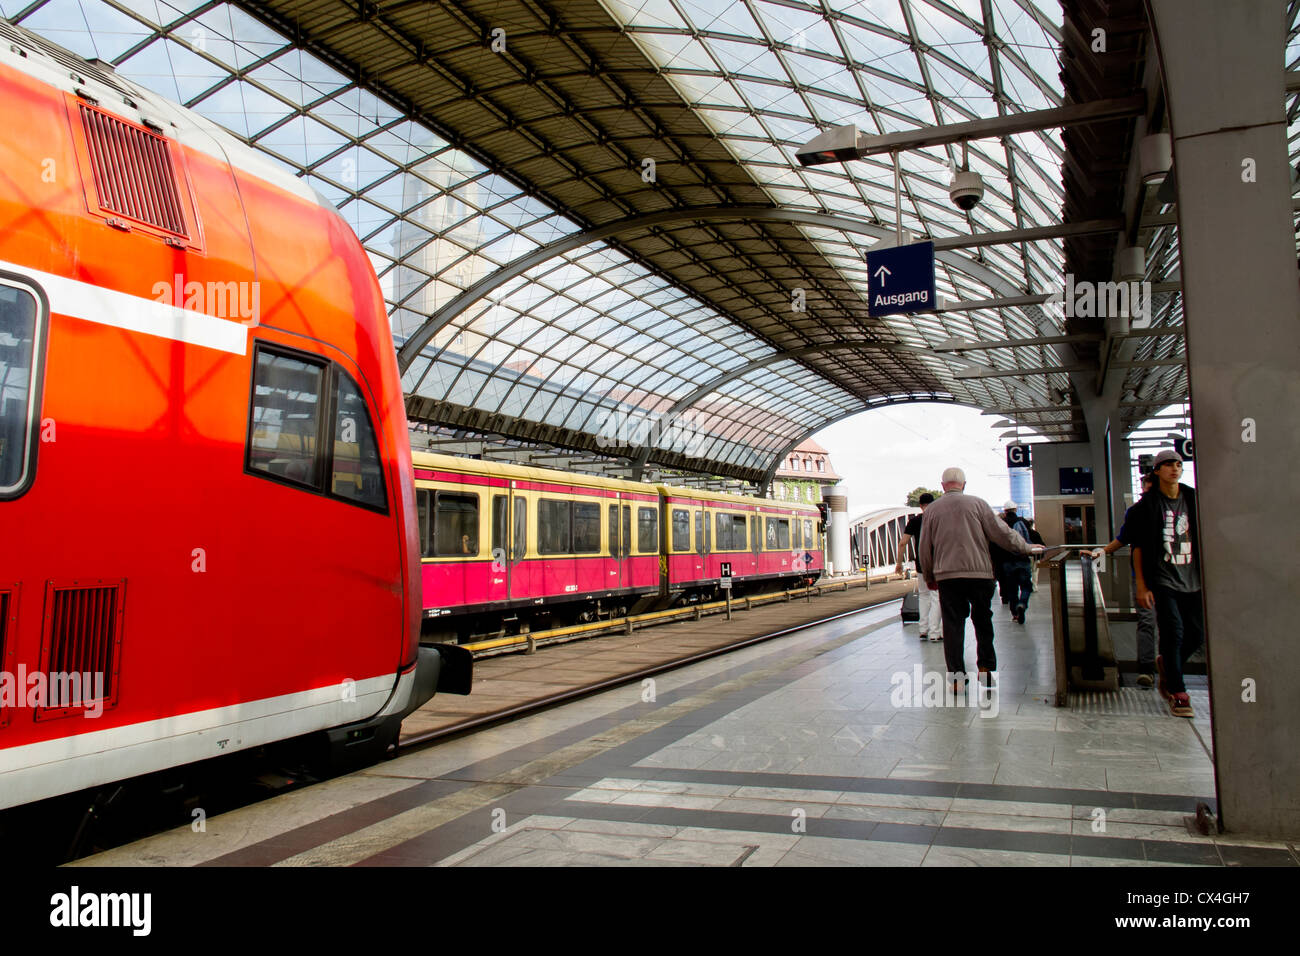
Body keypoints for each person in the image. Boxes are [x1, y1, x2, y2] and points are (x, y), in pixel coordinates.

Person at [919, 468, 1043, 689]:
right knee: (983, 621)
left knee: (953, 625)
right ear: (964, 484)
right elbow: (1001, 533)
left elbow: (924, 548)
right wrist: (1025, 547)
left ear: (942, 485)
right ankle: (985, 669)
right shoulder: (978, 504)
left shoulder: (932, 511)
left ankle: (956, 679)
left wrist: (929, 575)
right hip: (980, 575)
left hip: (948, 577)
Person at [1126, 450, 1204, 718]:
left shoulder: (1195, 499)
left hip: (1193, 578)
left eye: (1179, 464)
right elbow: (1137, 548)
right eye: (1169, 464)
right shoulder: (1144, 508)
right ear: (1157, 471)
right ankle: (1178, 692)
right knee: (1173, 631)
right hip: (1163, 578)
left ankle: (1168, 666)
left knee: (1197, 633)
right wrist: (1141, 585)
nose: (1175, 468)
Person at [1086, 472, 1157, 687]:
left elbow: (1124, 539)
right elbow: (1125, 539)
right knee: (1148, 621)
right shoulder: (1138, 511)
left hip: (1173, 575)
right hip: (1146, 575)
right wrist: (1101, 552)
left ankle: (1163, 665)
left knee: (1164, 623)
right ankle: (1148, 668)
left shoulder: (1181, 504)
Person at [895, 493, 942, 642]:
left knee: (923, 596)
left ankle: (923, 629)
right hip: (937, 563)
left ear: (921, 506)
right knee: (936, 598)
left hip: (921, 563)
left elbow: (903, 543)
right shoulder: (938, 519)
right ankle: (935, 632)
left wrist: (899, 563)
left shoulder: (914, 521)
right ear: (933, 504)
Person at [998, 501, 1034, 624]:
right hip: (1023, 559)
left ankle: (1015, 614)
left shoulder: (1001, 524)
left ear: (1005, 511)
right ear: (1015, 509)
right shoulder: (1023, 522)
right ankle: (1022, 603)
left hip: (1007, 561)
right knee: (1026, 586)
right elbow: (1031, 537)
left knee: (1012, 588)